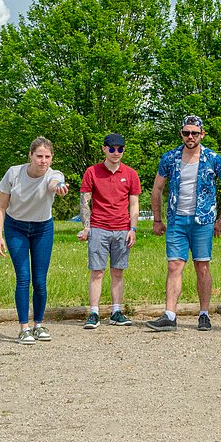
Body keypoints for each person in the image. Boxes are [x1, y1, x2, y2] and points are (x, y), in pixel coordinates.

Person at [147, 115, 221, 332]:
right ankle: (170, 314)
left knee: (202, 266)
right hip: (177, 219)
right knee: (174, 265)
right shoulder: (170, 158)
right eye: (186, 133)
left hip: (203, 221)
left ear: (202, 134)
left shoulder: (213, 159)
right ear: (181, 134)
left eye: (194, 133)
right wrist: (157, 219)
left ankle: (204, 314)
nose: (190, 137)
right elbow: (157, 189)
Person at [0, 137, 69, 344]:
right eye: (39, 156)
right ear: (30, 156)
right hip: (15, 226)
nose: (43, 161)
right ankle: (23, 328)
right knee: (24, 278)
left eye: (47, 157)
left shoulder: (54, 175)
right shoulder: (14, 173)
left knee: (40, 280)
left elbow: (55, 184)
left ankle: (38, 324)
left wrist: (60, 188)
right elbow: (1, 207)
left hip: (42, 228)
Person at [78, 133, 141, 329]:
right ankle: (94, 313)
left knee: (118, 271)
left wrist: (133, 229)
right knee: (97, 272)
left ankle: (116, 311)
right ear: (104, 149)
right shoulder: (92, 172)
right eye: (112, 149)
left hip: (122, 229)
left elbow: (134, 204)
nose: (116, 152)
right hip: (98, 228)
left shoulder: (130, 174)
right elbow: (84, 201)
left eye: (120, 149)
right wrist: (87, 227)